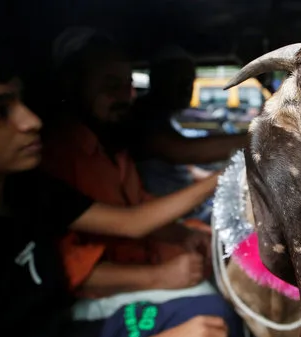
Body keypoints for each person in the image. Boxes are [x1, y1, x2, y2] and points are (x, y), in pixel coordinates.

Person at [0, 35, 258, 337]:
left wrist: (189, 233)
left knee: (214, 310)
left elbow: (132, 222)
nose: (30, 121)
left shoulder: (28, 190)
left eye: (21, 101)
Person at [41, 29, 219, 317]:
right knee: (215, 308)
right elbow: (68, 265)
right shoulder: (56, 156)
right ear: (71, 85)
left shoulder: (111, 145)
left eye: (128, 83)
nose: (126, 96)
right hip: (92, 297)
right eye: (111, 86)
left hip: (141, 264)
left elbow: (142, 210)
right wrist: (160, 277)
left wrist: (182, 235)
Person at [130, 45, 251, 222]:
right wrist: (258, 138)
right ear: (158, 81)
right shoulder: (141, 118)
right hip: (171, 216)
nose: (188, 88)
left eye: (190, 81)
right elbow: (183, 151)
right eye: (180, 81)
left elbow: (188, 168)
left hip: (187, 208)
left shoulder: (166, 119)